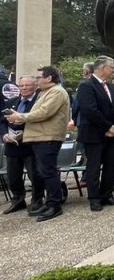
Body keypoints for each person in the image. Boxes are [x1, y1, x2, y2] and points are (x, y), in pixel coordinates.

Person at [10, 66, 71, 222]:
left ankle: (55, 205)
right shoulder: (46, 92)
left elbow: (44, 113)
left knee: (48, 172)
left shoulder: (56, 92)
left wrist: (19, 116)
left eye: (38, 77)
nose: (36, 80)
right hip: (41, 137)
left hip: (48, 137)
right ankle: (49, 202)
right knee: (43, 172)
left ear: (49, 78)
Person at [76, 56, 114, 211]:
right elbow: (89, 110)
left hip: (112, 134)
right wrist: (107, 127)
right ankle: (94, 198)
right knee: (94, 167)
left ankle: (106, 194)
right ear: (102, 68)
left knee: (111, 165)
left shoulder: (109, 87)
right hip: (94, 134)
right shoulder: (86, 85)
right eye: (112, 67)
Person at [1, 75, 41, 214]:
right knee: (13, 177)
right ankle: (18, 200)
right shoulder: (11, 101)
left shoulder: (39, 101)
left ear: (35, 86)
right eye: (21, 85)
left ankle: (37, 200)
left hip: (30, 144)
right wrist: (4, 134)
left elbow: (39, 120)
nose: (24, 88)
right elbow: (2, 120)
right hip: (12, 145)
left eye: (27, 85)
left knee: (35, 175)